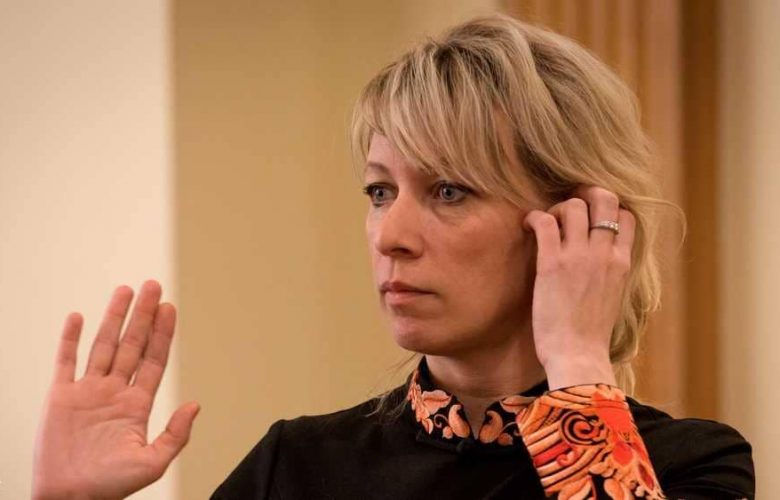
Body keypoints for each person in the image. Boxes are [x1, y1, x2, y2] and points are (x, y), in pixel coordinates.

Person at [32, 14, 754, 500]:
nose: (389, 235)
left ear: (578, 224)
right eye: (380, 191)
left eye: (448, 190)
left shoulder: (692, 464)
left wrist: (578, 364)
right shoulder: (296, 465)